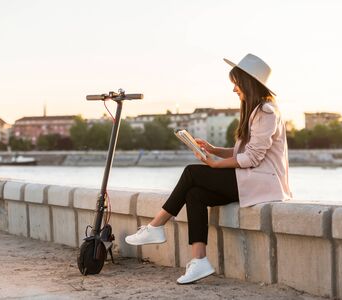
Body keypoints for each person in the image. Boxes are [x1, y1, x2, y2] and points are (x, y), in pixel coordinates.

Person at [125, 53, 292, 284]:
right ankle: (199, 261)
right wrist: (214, 150)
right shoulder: (257, 110)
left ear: (247, 82)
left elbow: (253, 157)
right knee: (195, 194)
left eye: (236, 83)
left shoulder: (266, 111)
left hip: (262, 182)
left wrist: (215, 163)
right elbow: (244, 152)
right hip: (250, 178)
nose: (234, 89)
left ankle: (156, 225)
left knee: (192, 172)